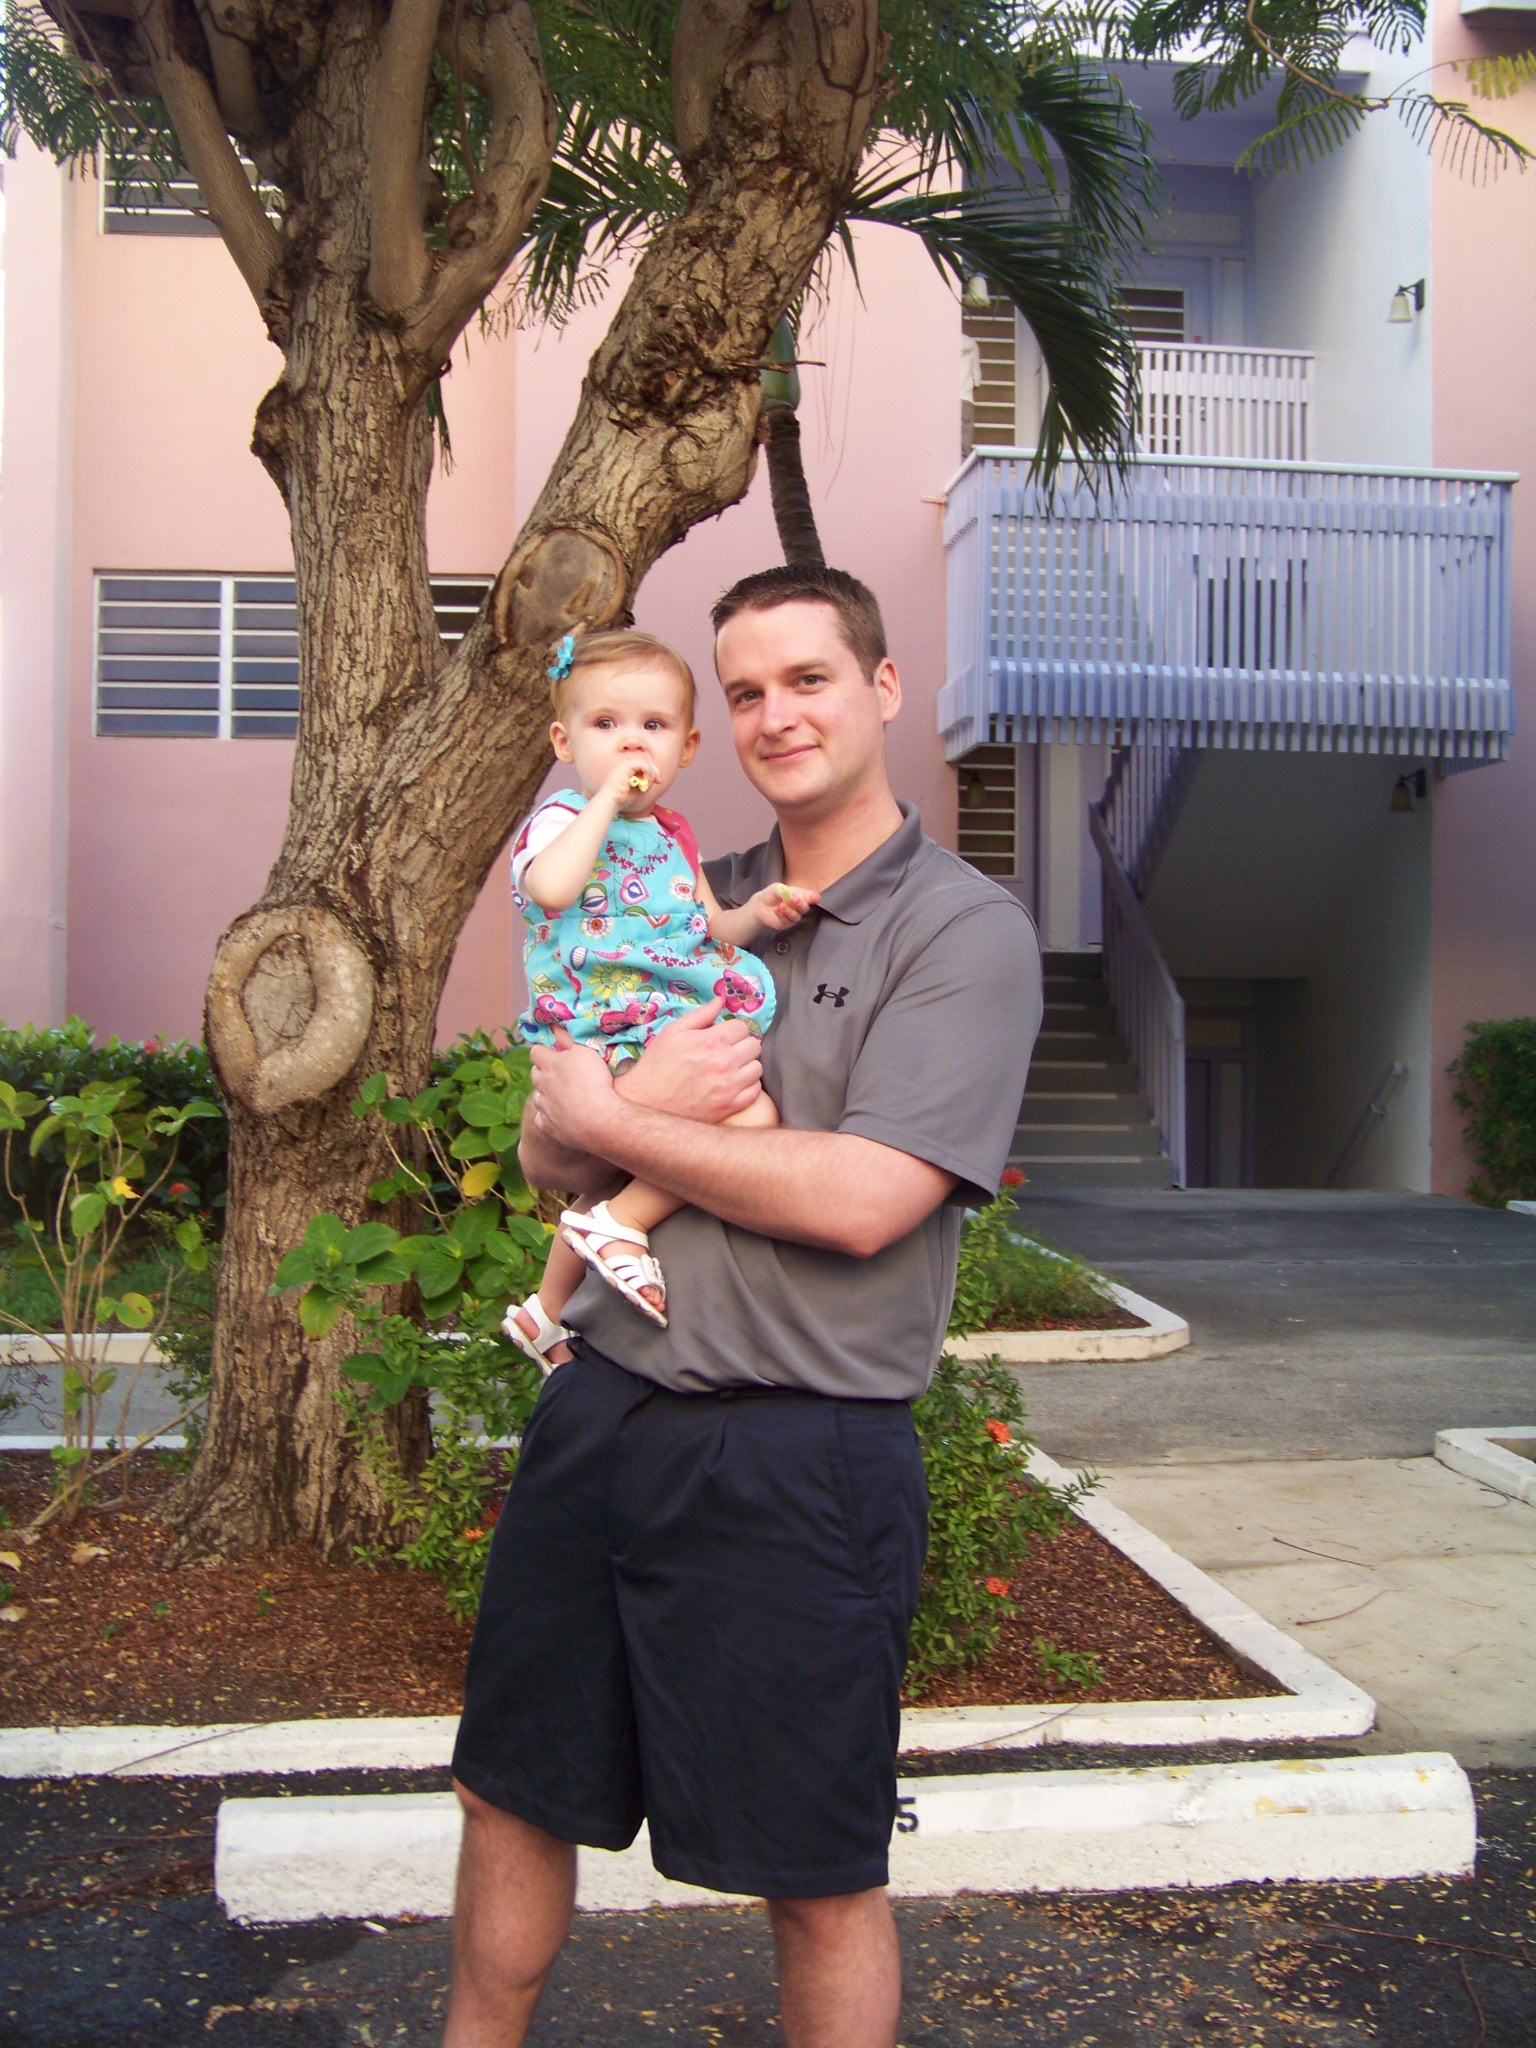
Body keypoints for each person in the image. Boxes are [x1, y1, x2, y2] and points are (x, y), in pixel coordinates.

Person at [445, 566, 1043, 2048]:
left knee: (814, 1872)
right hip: (605, 1407)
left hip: (800, 1452)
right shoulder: (670, 883)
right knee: (509, 1791)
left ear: (883, 687)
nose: (779, 715)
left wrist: (626, 1120)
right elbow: (546, 1152)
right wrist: (620, 1107)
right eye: (749, 690)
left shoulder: (960, 932)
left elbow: (868, 1198)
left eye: (810, 679)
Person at [503, 627, 817, 1369]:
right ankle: (622, 1224)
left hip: (656, 1017)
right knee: (751, 1117)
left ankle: (546, 1311)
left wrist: (755, 914)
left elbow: (704, 925)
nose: (631, 743)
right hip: (598, 1020)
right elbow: (551, 888)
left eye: (653, 725)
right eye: (605, 724)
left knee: (638, 1163)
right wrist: (606, 802)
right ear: (564, 741)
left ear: (687, 747)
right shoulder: (561, 820)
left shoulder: (674, 834)